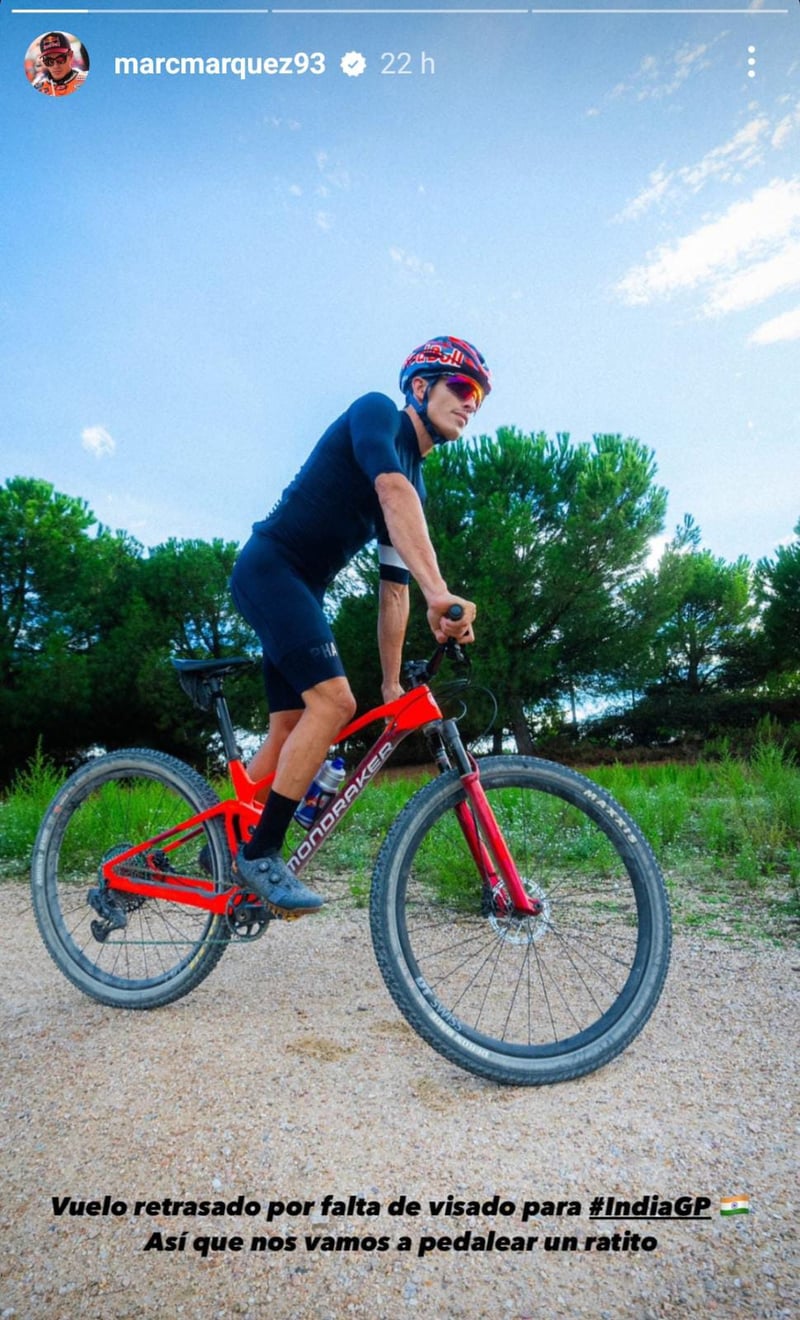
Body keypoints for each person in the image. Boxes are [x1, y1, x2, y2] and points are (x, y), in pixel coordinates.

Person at [229, 335, 491, 916]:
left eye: (479, 397)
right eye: (461, 387)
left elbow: (393, 592)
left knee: (290, 727)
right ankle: (261, 853)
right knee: (334, 704)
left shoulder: (416, 481)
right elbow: (390, 490)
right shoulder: (378, 415)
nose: (470, 403)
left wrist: (392, 685)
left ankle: (224, 843)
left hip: (300, 590)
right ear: (420, 386)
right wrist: (441, 592)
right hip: (271, 568)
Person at [32, 32, 87, 97]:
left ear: (70, 55)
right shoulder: (38, 88)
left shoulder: (85, 80)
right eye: (49, 61)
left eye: (60, 59)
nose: (55, 66)